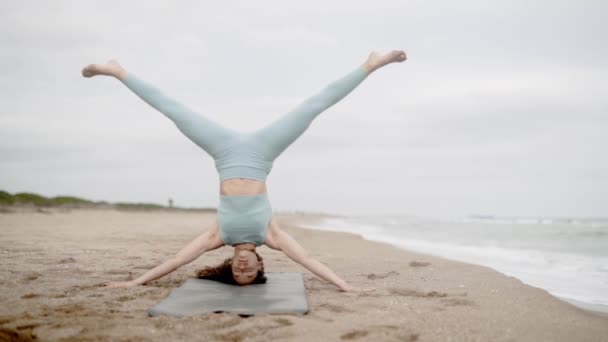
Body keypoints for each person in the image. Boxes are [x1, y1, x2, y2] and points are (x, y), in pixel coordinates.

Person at [82, 49, 407, 293]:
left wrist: (135, 282)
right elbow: (309, 260)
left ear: (230, 267)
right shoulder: (271, 236)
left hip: (223, 153)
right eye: (249, 272)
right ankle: (372, 63)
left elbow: (176, 261)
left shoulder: (217, 237)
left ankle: (117, 70)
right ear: (259, 264)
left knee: (174, 110)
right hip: (263, 153)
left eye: (238, 273)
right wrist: (346, 286)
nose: (242, 268)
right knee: (313, 107)